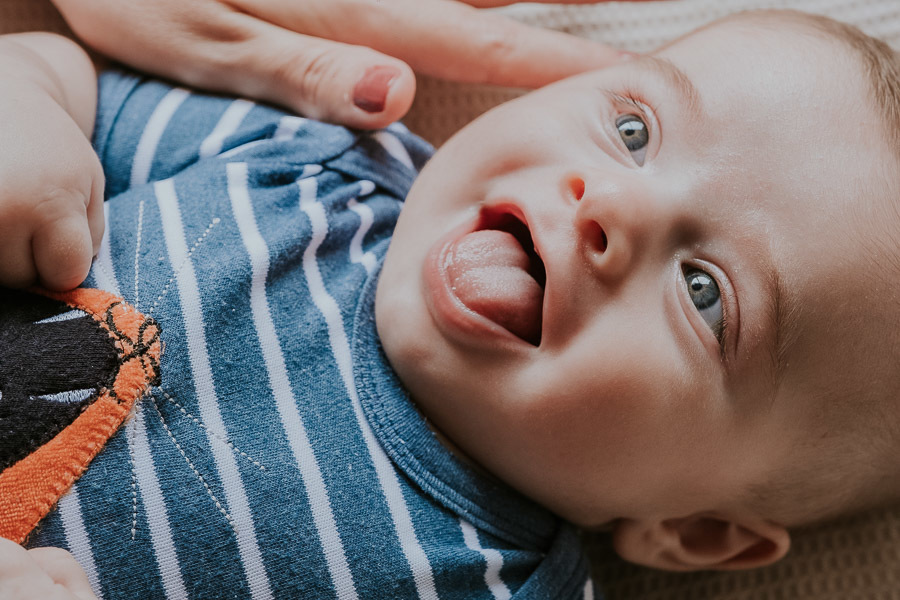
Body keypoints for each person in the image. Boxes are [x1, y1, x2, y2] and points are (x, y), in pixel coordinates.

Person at [1, 8, 900, 599]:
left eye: (706, 294)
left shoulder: (488, 583)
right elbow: (58, 74)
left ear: (693, 531)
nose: (616, 204)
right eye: (635, 131)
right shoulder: (310, 164)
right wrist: (29, 113)